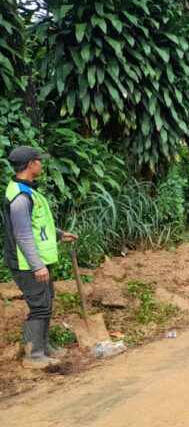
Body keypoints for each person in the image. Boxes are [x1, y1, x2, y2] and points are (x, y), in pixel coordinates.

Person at [4, 146, 78, 369]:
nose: (42, 164)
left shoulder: (27, 190)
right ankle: (33, 356)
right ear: (31, 164)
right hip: (27, 264)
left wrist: (59, 234)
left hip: (36, 261)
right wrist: (37, 266)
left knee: (45, 302)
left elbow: (37, 225)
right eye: (39, 161)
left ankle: (44, 346)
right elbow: (23, 234)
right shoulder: (21, 196)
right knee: (39, 307)